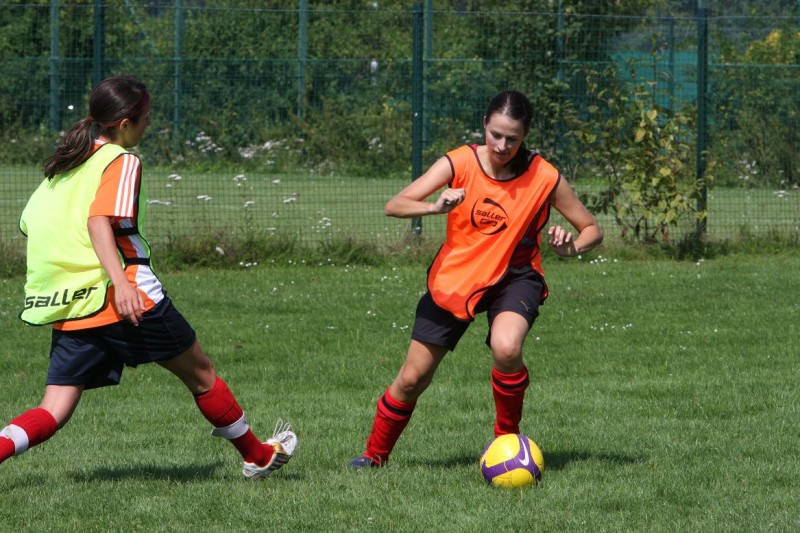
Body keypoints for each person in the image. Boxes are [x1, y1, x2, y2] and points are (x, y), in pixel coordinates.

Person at [1, 76, 297, 480]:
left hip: (73, 304)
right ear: (125, 124)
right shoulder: (122, 161)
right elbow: (97, 221)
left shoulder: (65, 166)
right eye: (146, 118)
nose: (150, 124)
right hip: (126, 296)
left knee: (52, 410)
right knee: (202, 375)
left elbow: (30, 224)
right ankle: (258, 456)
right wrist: (121, 284)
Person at [351, 90, 603, 468]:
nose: (502, 145)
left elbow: (592, 229)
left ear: (525, 136)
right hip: (459, 277)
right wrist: (435, 207)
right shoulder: (460, 161)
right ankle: (373, 456)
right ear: (484, 124)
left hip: (516, 277)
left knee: (506, 347)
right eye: (495, 134)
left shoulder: (544, 176)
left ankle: (507, 441)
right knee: (412, 378)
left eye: (512, 139)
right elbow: (395, 205)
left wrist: (572, 248)